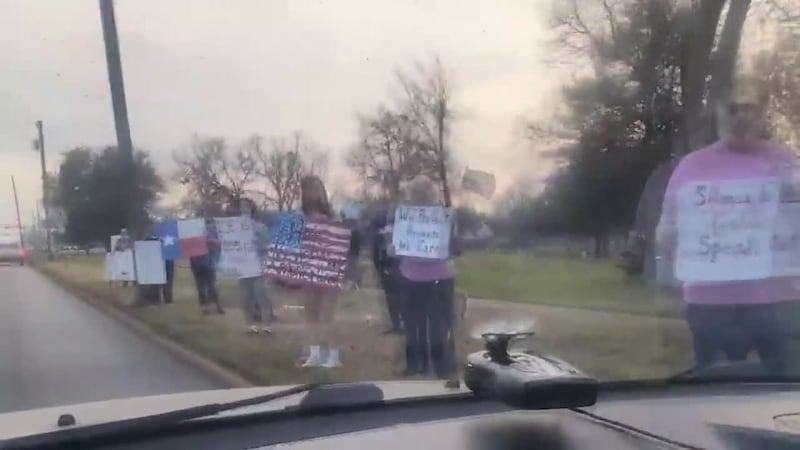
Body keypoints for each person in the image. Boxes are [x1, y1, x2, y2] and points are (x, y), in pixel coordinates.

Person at [656, 77, 797, 373]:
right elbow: (667, 229)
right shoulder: (692, 167)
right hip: (711, 303)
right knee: (715, 386)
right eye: (733, 108)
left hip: (777, 302)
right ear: (718, 112)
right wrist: (670, 239)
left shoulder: (787, 160)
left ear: (762, 113)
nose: (742, 116)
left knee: (783, 387)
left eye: (750, 108)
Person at [392, 175, 460, 378]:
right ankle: (443, 367)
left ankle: (417, 366)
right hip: (439, 277)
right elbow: (454, 246)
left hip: (412, 277)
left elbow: (396, 249)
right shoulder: (447, 216)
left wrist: (393, 250)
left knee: (414, 326)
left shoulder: (404, 216)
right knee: (440, 324)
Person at [297, 175, 361, 368]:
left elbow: (343, 241)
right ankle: (315, 353)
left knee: (326, 316)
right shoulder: (300, 216)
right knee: (311, 314)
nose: (309, 193)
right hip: (308, 268)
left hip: (329, 269)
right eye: (306, 189)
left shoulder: (333, 215)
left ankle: (333, 355)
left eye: (312, 188)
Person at [237, 197, 274, 334]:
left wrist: (260, 245)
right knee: (245, 300)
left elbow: (268, 246)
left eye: (246, 206)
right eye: (241, 207)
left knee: (262, 297)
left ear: (252, 209)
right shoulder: (234, 228)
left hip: (258, 267)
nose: (244, 209)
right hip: (243, 269)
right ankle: (250, 326)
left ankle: (267, 326)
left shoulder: (260, 227)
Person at [372, 209, 403, 334]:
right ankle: (402, 324)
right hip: (402, 268)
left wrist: (379, 269)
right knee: (402, 298)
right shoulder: (404, 233)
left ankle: (396, 324)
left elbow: (376, 254)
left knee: (391, 299)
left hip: (387, 268)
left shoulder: (381, 234)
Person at [189, 215, 224, 315]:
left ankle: (217, 305)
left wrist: (210, 242)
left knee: (212, 286)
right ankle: (204, 307)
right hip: (196, 263)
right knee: (200, 287)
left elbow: (219, 243)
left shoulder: (214, 232)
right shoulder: (192, 232)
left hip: (209, 262)